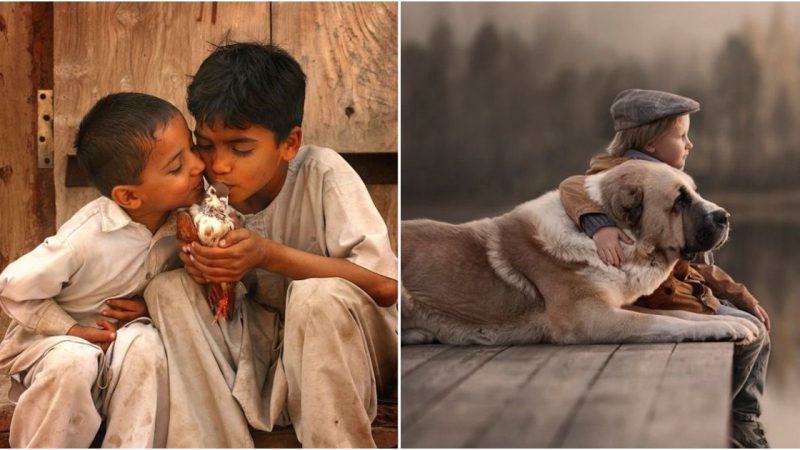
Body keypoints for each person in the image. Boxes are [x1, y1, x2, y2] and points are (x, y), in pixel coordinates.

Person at [144, 42, 398, 448]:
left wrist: (267, 255)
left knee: (315, 298)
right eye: (205, 144)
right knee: (166, 290)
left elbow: (385, 288)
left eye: (240, 148)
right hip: (265, 348)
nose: (219, 164)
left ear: (289, 143)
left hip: (355, 347)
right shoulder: (202, 194)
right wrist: (207, 273)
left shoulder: (322, 174)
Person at [559, 88, 770, 448]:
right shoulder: (626, 174)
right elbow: (573, 185)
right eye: (682, 136)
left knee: (757, 329)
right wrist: (599, 225)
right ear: (653, 142)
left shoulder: (671, 180)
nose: (690, 145)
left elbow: (698, 263)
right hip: (658, 295)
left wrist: (742, 296)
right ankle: (732, 417)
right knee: (750, 335)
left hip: (686, 287)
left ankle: (740, 416)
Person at [0, 92, 206, 447]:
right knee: (73, 361)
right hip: (55, 345)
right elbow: (13, 286)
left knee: (147, 344)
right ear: (128, 197)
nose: (198, 166)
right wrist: (70, 328)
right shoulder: (85, 238)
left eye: (192, 147)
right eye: (176, 167)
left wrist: (149, 309)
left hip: (119, 343)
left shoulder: (186, 223)